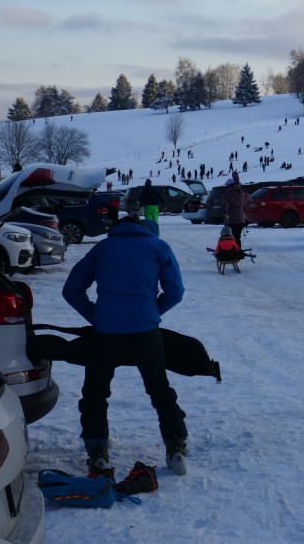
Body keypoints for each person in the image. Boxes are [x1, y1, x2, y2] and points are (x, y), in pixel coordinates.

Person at [61, 199, 188, 476]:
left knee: (95, 393)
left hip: (106, 332)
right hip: (146, 331)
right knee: (159, 389)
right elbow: (175, 291)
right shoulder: (158, 247)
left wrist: (96, 315)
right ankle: (176, 446)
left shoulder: (103, 248)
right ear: (146, 228)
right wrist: (152, 312)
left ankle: (98, 454)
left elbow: (72, 290)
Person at [223, 172, 250, 245]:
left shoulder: (226, 195)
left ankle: (230, 250)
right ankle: (238, 251)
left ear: (228, 186)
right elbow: (248, 197)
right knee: (238, 237)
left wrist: (225, 214)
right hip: (240, 220)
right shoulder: (241, 193)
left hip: (230, 220)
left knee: (229, 237)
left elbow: (225, 207)